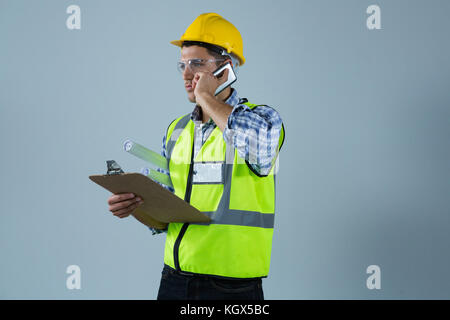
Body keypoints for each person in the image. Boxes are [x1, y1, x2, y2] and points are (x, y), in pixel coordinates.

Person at [107, 12, 285, 300]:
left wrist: (206, 97)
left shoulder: (263, 119)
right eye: (182, 65)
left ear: (226, 69)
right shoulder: (177, 130)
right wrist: (134, 208)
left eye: (197, 64)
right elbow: (165, 217)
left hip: (232, 287)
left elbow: (258, 150)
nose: (186, 75)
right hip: (174, 279)